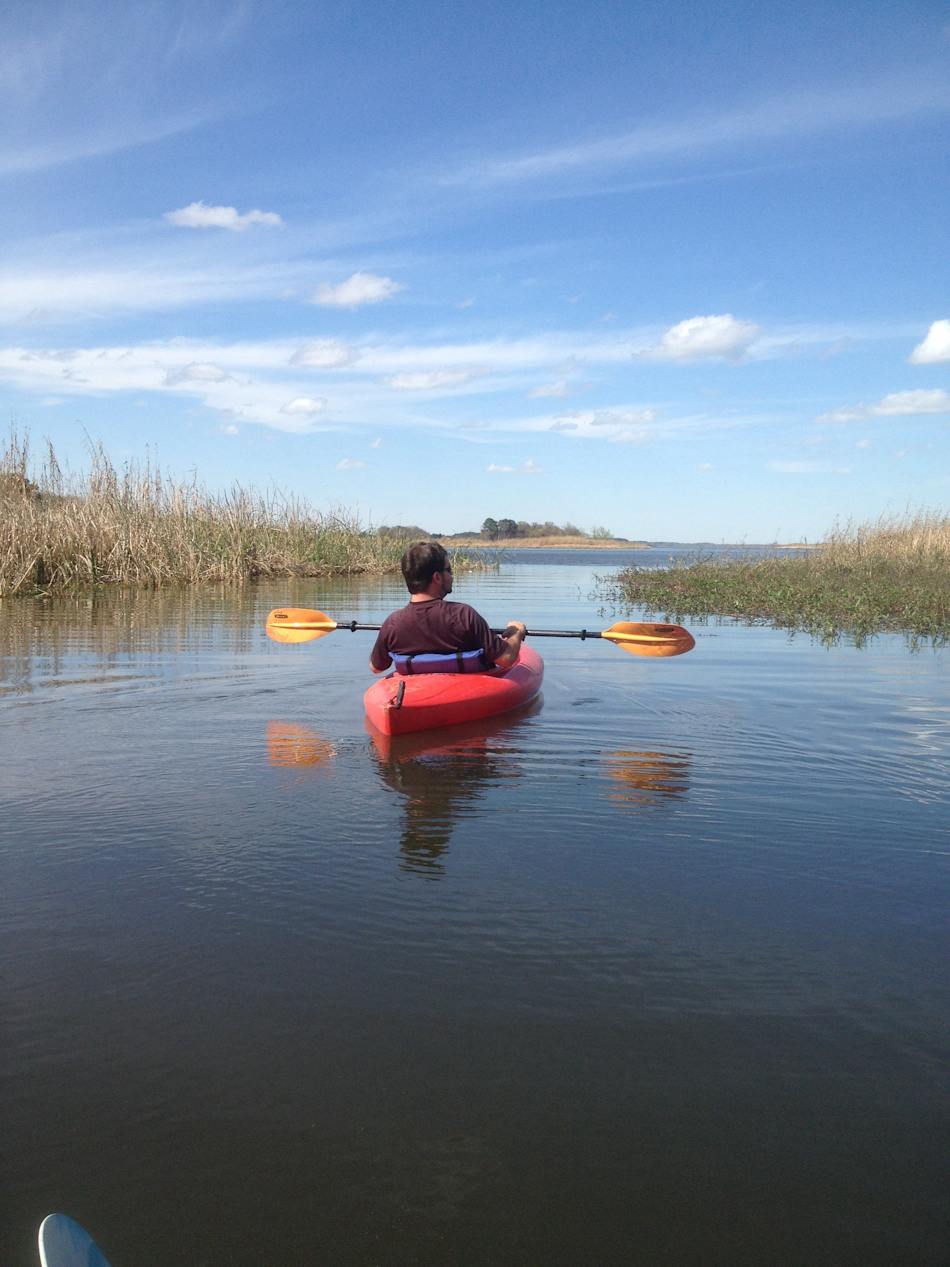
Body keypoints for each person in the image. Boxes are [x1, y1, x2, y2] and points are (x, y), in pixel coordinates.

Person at [370, 541, 526, 675]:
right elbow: (506, 658)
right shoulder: (464, 615)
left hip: (414, 694)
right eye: (449, 570)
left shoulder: (392, 623)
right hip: (465, 696)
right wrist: (516, 632)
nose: (452, 576)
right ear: (437, 577)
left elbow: (376, 667)